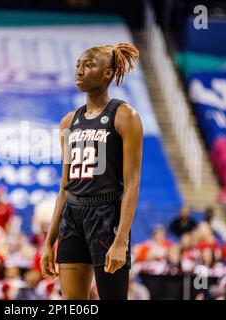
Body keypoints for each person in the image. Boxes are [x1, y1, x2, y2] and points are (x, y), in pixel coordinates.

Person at [40, 43, 142, 300]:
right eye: (78, 65)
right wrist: (49, 241)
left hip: (107, 217)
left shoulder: (124, 116)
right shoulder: (68, 121)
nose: (80, 71)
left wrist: (121, 240)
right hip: (72, 217)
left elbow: (132, 185)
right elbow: (64, 187)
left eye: (89, 65)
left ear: (107, 73)